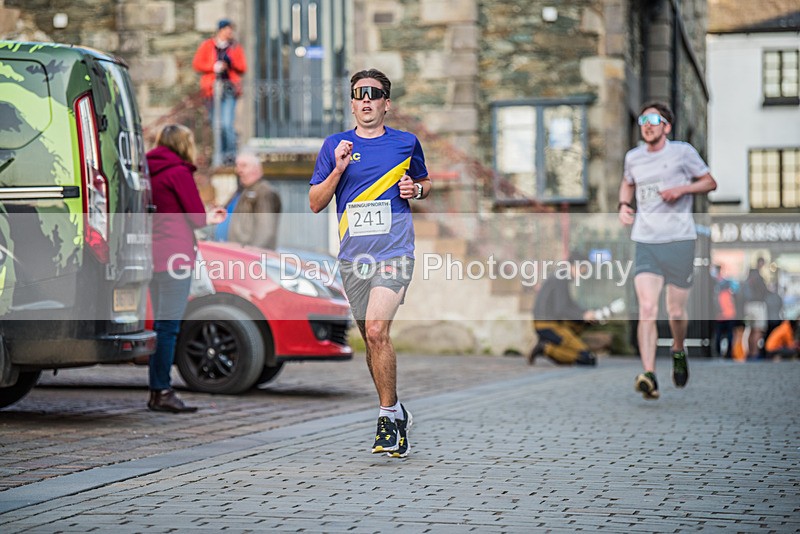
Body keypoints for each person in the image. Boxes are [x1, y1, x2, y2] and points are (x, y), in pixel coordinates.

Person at [309, 68, 430, 458]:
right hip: (353, 258)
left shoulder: (405, 143)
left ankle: (386, 420)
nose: (366, 100)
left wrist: (417, 190)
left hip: (395, 253)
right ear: (351, 102)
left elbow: (425, 183)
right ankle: (395, 408)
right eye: (359, 94)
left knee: (377, 329)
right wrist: (340, 169)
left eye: (374, 94)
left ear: (386, 104)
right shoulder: (335, 146)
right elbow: (314, 203)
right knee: (371, 338)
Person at [618, 101, 717, 400]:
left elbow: (710, 182)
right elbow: (627, 183)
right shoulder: (633, 157)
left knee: (675, 311)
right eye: (643, 120)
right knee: (647, 309)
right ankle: (649, 373)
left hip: (679, 241)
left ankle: (677, 349)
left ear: (666, 126)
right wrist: (624, 205)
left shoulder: (682, 153)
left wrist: (681, 190)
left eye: (653, 119)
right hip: (646, 241)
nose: (647, 124)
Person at [147, 124, 227, 412]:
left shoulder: (148, 171)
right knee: (169, 326)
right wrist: (212, 217)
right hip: (175, 257)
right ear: (183, 144)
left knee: (159, 325)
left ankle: (157, 390)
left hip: (152, 256)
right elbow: (195, 217)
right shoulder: (179, 172)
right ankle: (162, 391)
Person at [528, 253, 601, 367]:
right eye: (583, 269)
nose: (584, 273)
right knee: (587, 358)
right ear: (573, 266)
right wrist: (583, 316)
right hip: (547, 326)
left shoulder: (561, 277)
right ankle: (545, 348)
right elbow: (561, 309)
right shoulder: (560, 278)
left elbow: (569, 304)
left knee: (584, 324)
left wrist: (585, 314)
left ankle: (551, 347)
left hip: (552, 323)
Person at [192, 19, 247, 165]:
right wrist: (213, 66)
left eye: (231, 30)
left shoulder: (235, 47)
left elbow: (242, 67)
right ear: (220, 30)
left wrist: (230, 63)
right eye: (227, 30)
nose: (229, 33)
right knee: (216, 123)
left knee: (227, 124)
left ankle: (230, 155)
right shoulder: (208, 45)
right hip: (212, 90)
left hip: (229, 88)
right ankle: (220, 154)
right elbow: (197, 64)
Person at [215, 152, 282, 249]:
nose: (239, 170)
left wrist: (252, 255)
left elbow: (265, 230)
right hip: (228, 252)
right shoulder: (241, 191)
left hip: (246, 257)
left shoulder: (264, 192)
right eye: (237, 166)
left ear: (257, 169)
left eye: (243, 166)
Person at [743, 257, 769, 359]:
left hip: (748, 305)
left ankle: (749, 352)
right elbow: (765, 292)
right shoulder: (759, 277)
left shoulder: (749, 276)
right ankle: (755, 353)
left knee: (750, 330)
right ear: (761, 263)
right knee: (758, 330)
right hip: (758, 305)